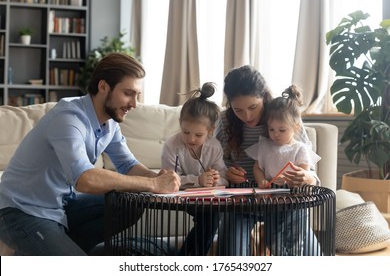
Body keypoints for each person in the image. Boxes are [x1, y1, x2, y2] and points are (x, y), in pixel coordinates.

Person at [0, 53, 181, 256]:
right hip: (21, 211)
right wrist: (152, 184)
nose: (134, 104)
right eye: (128, 93)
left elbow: (128, 164)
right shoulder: (68, 118)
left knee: (130, 203)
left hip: (59, 205)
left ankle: (61, 251)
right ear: (103, 87)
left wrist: (159, 178)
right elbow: (85, 180)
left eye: (137, 95)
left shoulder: (109, 123)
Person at [215, 65, 320, 256]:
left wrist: (307, 177)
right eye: (238, 109)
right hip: (241, 204)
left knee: (311, 256)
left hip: (285, 204)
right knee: (231, 253)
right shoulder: (224, 121)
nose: (247, 116)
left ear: (264, 96)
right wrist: (226, 173)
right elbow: (215, 163)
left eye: (253, 107)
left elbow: (310, 170)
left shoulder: (285, 115)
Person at [161, 82, 228, 255]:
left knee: (212, 216)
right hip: (182, 196)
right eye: (185, 132)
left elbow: (224, 177)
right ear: (180, 123)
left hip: (208, 200)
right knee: (211, 217)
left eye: (198, 135)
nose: (191, 139)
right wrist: (197, 180)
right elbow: (167, 180)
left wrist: (215, 179)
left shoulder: (214, 147)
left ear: (211, 130)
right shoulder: (171, 145)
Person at [246, 84, 321, 189]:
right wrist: (261, 180)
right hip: (270, 194)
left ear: (296, 127)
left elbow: (304, 172)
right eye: (271, 129)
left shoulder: (300, 148)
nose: (275, 134)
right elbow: (257, 168)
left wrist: (290, 179)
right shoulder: (265, 146)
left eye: (282, 130)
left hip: (292, 194)